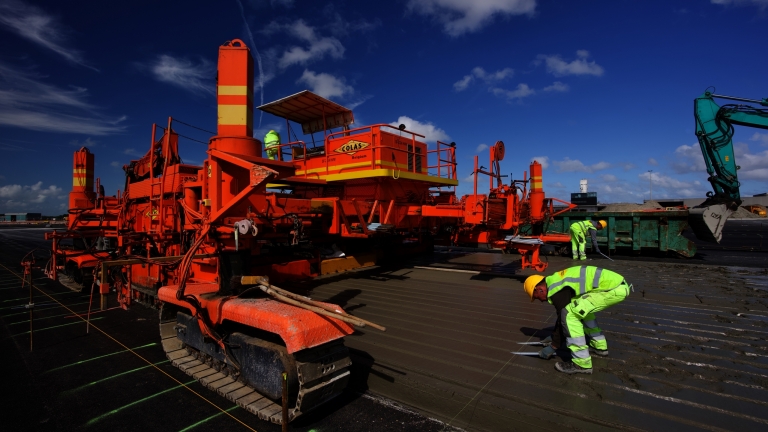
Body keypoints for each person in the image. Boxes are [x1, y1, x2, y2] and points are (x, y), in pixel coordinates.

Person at [523, 265, 632, 374]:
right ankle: (599, 346)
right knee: (581, 311)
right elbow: (560, 318)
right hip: (616, 286)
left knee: (569, 315)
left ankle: (581, 364)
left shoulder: (557, 291)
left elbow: (563, 317)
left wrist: (554, 346)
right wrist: (553, 336)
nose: (541, 301)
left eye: (537, 297)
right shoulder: (556, 282)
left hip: (611, 289)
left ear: (540, 289)